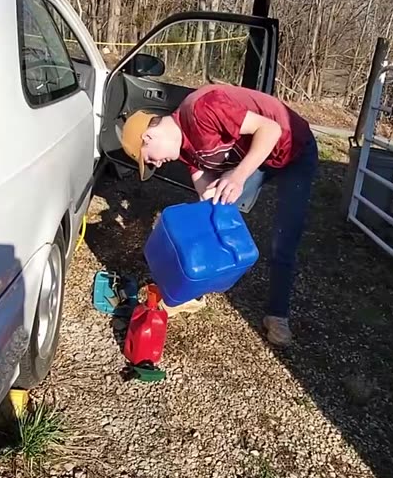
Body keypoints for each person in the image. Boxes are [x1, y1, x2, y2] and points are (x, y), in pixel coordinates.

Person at [119, 84, 318, 346]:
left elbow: (271, 129)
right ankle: (195, 290)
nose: (156, 165)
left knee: (283, 239)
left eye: (150, 160)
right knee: (218, 215)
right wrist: (209, 201)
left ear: (148, 137)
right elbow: (204, 188)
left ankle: (277, 315)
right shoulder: (184, 148)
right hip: (261, 155)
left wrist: (238, 175)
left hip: (294, 149)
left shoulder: (204, 108)